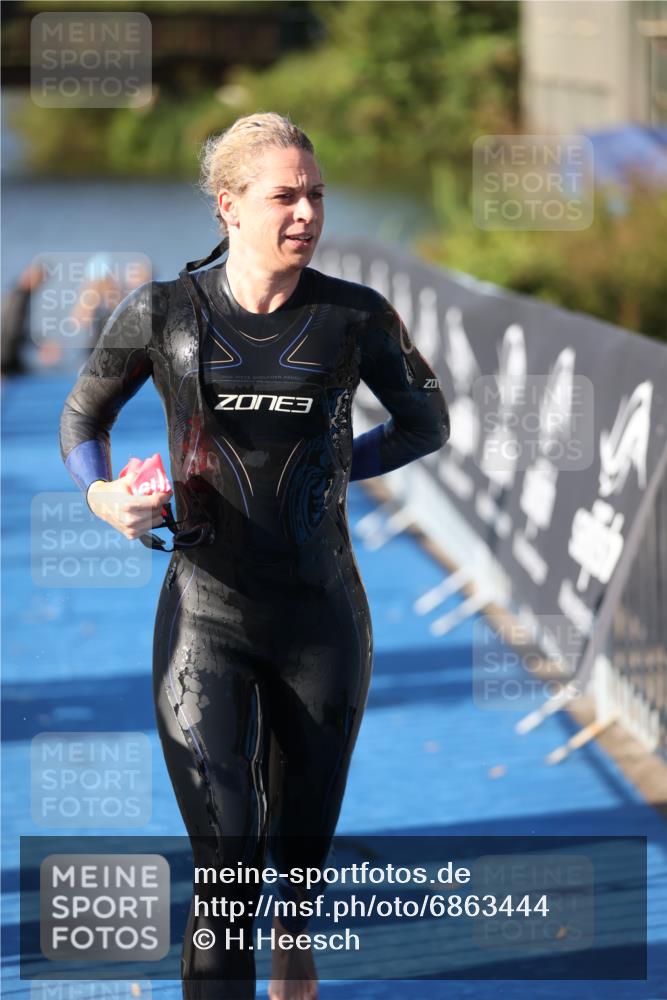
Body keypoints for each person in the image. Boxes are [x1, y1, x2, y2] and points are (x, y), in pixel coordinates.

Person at [59, 112, 450, 1000]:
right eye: (286, 195)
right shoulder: (161, 312)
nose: (306, 211)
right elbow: (82, 419)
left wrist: (339, 468)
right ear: (229, 206)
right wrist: (105, 495)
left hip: (322, 620)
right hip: (208, 616)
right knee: (226, 863)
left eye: (315, 194)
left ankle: (296, 936)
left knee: (297, 853)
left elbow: (428, 423)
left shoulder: (355, 318)